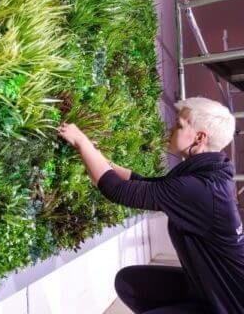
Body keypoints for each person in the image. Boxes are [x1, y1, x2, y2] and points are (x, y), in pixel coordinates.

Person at [57, 96, 244, 314]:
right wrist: (98, 157)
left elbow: (117, 190)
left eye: (179, 125)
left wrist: (81, 140)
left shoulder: (200, 190)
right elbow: (142, 183)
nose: (171, 129)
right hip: (208, 289)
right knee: (131, 282)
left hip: (228, 306)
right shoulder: (207, 176)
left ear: (199, 137)